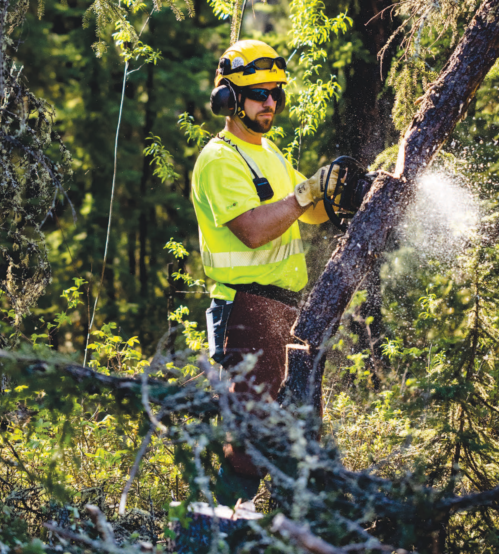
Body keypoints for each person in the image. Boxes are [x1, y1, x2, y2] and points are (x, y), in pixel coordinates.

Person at [190, 39, 340, 505]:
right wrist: (302, 197)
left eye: (275, 92)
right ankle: (221, 518)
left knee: (294, 426)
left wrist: (331, 194)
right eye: (258, 93)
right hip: (247, 308)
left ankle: (284, 525)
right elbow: (254, 230)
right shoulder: (220, 160)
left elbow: (306, 212)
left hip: (285, 310)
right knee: (248, 431)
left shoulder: (270, 153)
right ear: (229, 100)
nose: (270, 101)